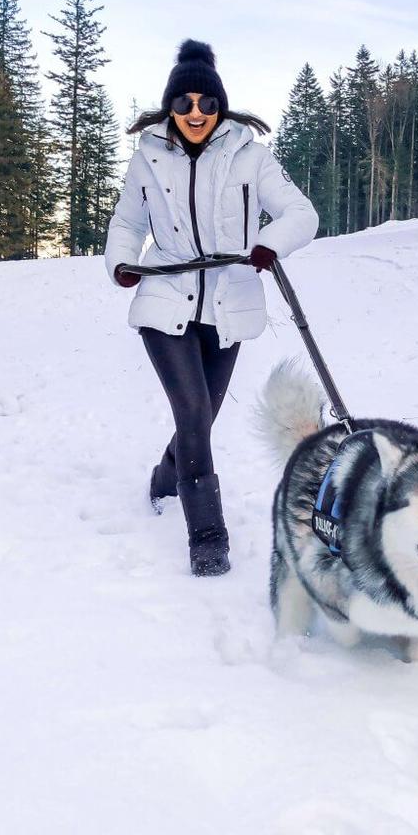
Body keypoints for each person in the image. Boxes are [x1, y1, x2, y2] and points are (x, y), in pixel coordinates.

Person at [105, 39, 319, 577]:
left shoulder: (250, 155)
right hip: (165, 298)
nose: (195, 113)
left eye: (206, 103)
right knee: (195, 412)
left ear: (219, 107)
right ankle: (208, 535)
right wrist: (122, 263)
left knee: (201, 416)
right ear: (169, 108)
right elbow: (128, 224)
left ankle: (164, 476)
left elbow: (301, 212)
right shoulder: (148, 156)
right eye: (183, 104)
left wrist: (272, 243)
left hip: (230, 303)